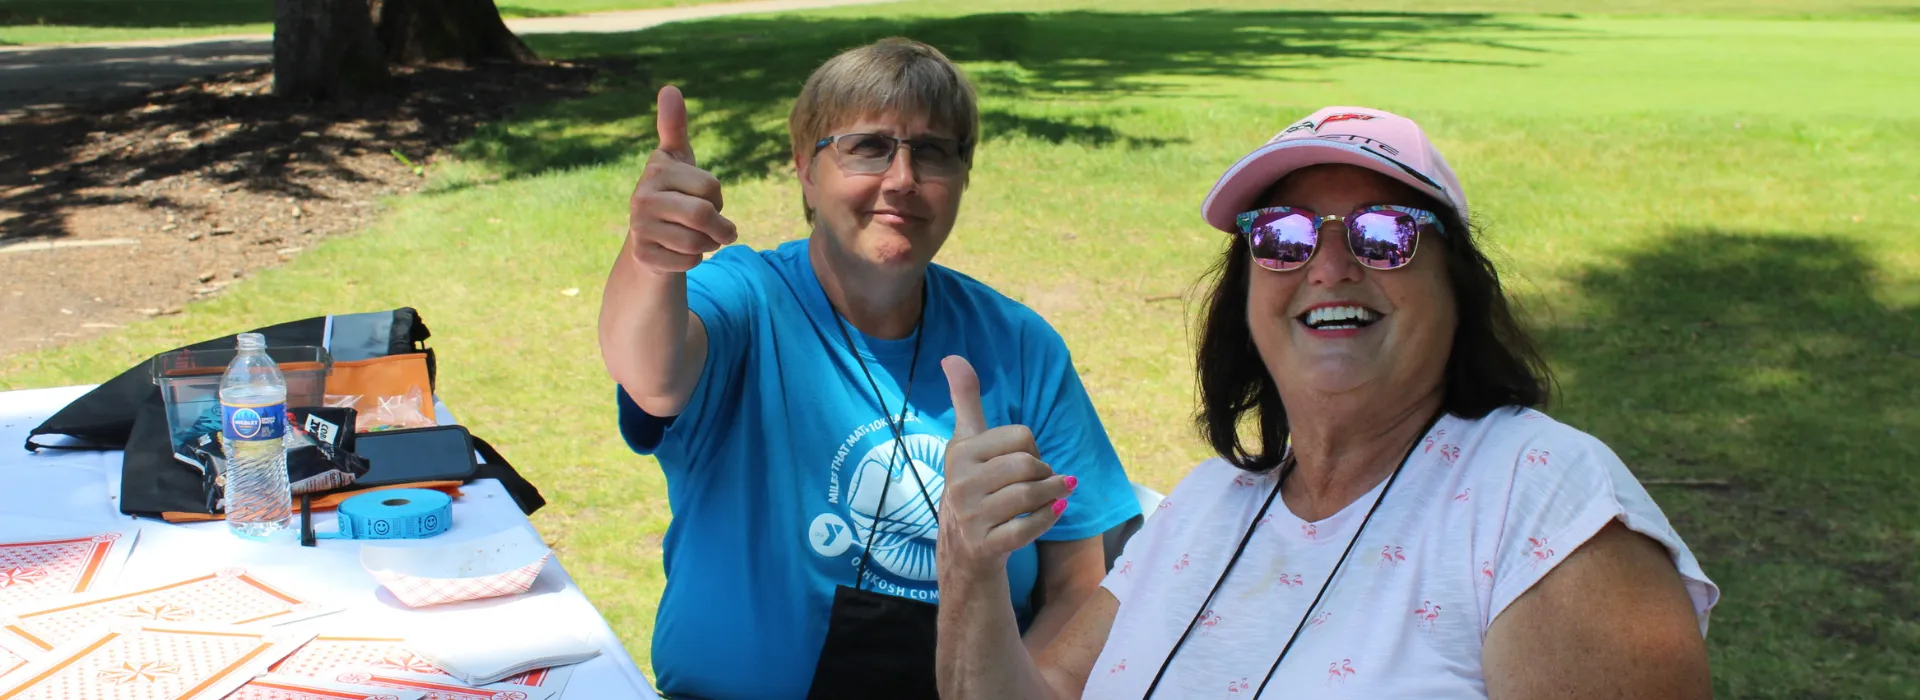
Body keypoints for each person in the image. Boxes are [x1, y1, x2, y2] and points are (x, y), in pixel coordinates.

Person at [934, 107, 1721, 698]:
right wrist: (969, 564)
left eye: (1386, 233)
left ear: (1458, 286)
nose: (1330, 264)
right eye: (1282, 235)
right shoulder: (1208, 505)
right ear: (1246, 290)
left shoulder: (1544, 498)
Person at [598, 38, 1140, 699]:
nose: (903, 178)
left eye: (933, 151)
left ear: (963, 177)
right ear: (805, 169)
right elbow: (650, 371)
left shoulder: (1019, 346)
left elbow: (1080, 581)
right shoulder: (750, 299)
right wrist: (651, 261)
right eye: (868, 147)